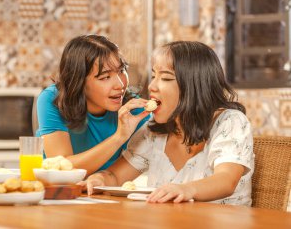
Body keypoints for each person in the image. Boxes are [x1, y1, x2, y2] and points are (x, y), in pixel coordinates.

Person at [83, 41, 254, 206]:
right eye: (153, 76)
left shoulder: (231, 122)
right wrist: (99, 179)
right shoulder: (153, 131)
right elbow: (113, 176)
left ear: (193, 85)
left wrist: (186, 190)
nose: (151, 86)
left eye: (165, 78)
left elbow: (226, 180)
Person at [36, 34, 150, 175]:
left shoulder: (133, 110)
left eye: (121, 71)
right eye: (105, 77)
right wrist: (119, 137)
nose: (120, 85)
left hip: (101, 190)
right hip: (58, 190)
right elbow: (61, 168)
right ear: (79, 81)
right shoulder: (54, 99)